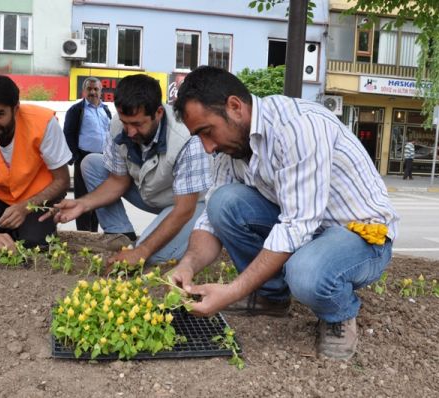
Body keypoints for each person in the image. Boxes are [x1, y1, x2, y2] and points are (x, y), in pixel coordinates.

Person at [170, 66, 399, 360]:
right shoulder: (231, 148)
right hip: (309, 229)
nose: (208, 147)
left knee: (305, 272)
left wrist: (233, 290)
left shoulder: (299, 127)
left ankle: (338, 314)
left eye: (207, 132)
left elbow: (296, 226)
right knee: (223, 203)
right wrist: (188, 265)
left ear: (235, 107)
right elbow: (211, 219)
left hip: (361, 235)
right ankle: (271, 297)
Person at [46, 74, 213, 266]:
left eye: (137, 124)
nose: (130, 131)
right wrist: (81, 204)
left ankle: (151, 243)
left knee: (151, 256)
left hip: (187, 205)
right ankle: (121, 234)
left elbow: (184, 209)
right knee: (91, 163)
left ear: (158, 113)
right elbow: (118, 181)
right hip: (151, 192)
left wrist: (142, 249)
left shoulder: (187, 138)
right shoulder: (118, 124)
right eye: (126, 122)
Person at [0, 75, 72, 252]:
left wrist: (25, 207)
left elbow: (62, 181)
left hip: (38, 194)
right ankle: (8, 229)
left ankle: (25, 227)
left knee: (34, 242)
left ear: (16, 108)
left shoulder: (43, 123)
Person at [63, 77, 112, 232]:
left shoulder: (106, 110)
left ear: (101, 91)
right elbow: (68, 134)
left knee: (99, 199)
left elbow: (110, 134)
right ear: (84, 91)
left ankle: (94, 233)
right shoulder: (76, 110)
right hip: (83, 159)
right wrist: (76, 157)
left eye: (96, 89)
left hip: (103, 160)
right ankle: (84, 234)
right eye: (89, 89)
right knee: (83, 199)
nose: (92, 92)